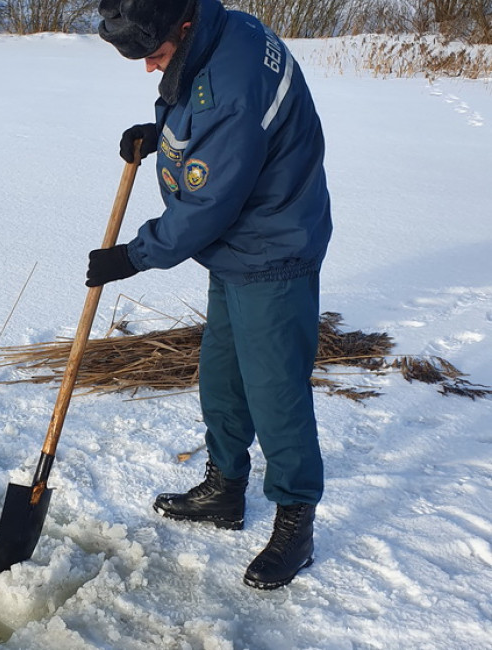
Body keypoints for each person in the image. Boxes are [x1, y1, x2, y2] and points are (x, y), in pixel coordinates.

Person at [92, 0, 332, 589]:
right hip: (238, 247)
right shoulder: (222, 29)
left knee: (276, 395)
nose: (150, 69)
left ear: (184, 27)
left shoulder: (232, 85)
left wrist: (133, 255)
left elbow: (208, 200)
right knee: (222, 375)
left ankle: (295, 520)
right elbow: (202, 114)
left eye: (156, 55)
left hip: (272, 249)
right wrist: (164, 134)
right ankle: (225, 489)